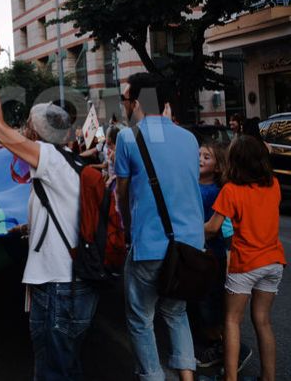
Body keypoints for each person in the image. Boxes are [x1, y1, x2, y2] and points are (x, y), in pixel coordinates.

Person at [0, 33, 97, 380]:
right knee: (61, 369)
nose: (22, 131)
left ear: (40, 132)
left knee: (53, 372)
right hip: (61, 284)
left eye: (27, 125)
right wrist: (30, 229)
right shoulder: (65, 163)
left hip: (59, 287)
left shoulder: (49, 158)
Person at [115, 73, 203, 381]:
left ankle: (153, 377)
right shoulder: (190, 138)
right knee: (176, 312)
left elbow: (122, 192)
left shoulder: (128, 137)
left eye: (125, 100)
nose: (124, 106)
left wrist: (126, 225)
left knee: (141, 318)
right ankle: (188, 377)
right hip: (189, 245)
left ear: (136, 102)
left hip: (150, 243)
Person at [204, 136, 286, 381]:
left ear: (234, 162)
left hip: (246, 263)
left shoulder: (231, 190)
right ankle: (268, 377)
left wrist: (189, 230)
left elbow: (212, 228)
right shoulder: (274, 184)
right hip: (273, 261)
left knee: (232, 321)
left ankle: (230, 378)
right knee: (263, 322)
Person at [193, 141, 247, 369]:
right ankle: (215, 342)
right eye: (199, 155)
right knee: (200, 298)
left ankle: (220, 345)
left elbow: (213, 227)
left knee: (211, 300)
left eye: (207, 157)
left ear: (217, 166)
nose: (200, 159)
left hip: (212, 253)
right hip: (195, 250)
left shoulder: (216, 190)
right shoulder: (192, 185)